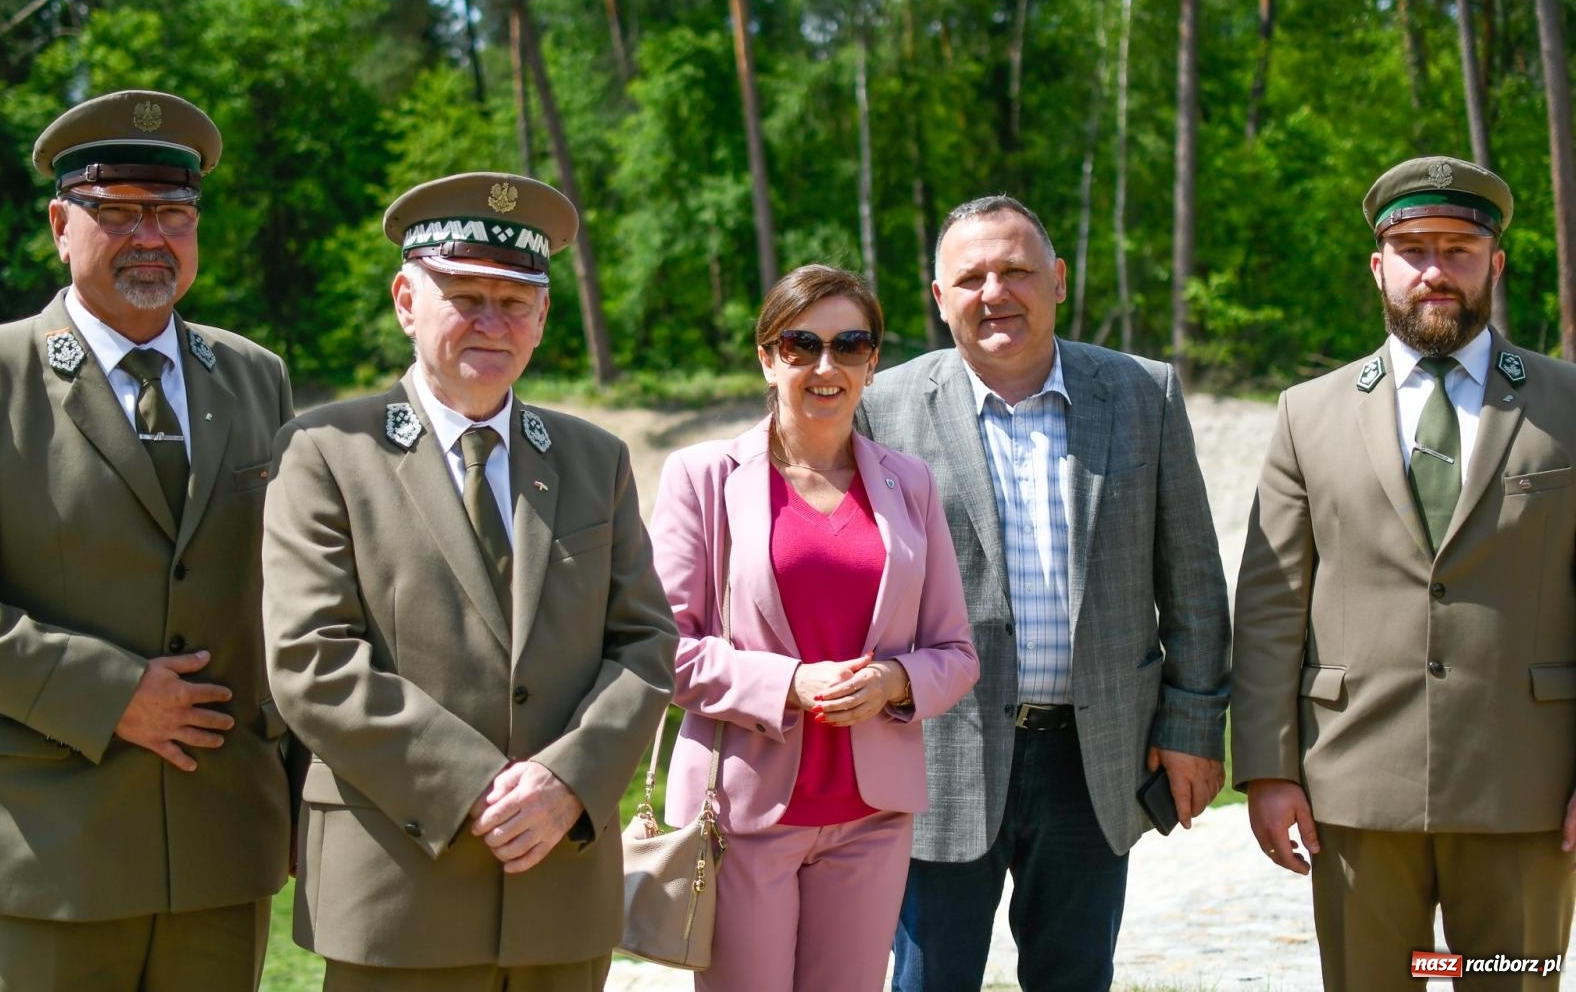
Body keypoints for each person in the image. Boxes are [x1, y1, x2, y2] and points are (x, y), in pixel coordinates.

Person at [262, 171, 678, 992]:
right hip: (399, 892)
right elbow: (311, 657)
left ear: (544, 316)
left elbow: (644, 643)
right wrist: (474, 786)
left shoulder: (596, 460)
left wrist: (569, 781)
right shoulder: (325, 451)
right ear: (406, 301)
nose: (492, 322)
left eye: (515, 301)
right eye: (465, 296)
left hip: (560, 886)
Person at [857, 195, 1231, 992]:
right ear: (938, 297)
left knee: (1075, 978)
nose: (996, 292)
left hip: (1094, 757)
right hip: (937, 755)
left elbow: (1193, 579)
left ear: (1059, 280)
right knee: (926, 982)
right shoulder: (879, 409)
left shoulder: (1142, 393)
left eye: (1017, 270)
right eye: (972, 277)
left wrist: (1194, 723)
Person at [1232, 156, 1576, 991]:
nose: (1435, 270)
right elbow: (1274, 603)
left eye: (1458, 249)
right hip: (1355, 788)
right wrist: (1270, 772)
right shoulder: (1307, 414)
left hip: (1525, 787)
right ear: (1378, 265)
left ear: (1495, 263)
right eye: (1413, 248)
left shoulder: (1568, 407)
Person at [0, 89, 295, 991]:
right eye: (116, 212)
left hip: (223, 837)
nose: (149, 235)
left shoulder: (254, 376)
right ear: (58, 223)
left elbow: (295, 597)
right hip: (55, 842)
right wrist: (113, 692)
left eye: (173, 213)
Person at [649, 263, 980, 992]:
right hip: (740, 815)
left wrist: (897, 680)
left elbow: (955, 652)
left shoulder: (910, 484)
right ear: (768, 359)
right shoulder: (702, 476)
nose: (826, 366)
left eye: (850, 345)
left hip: (872, 816)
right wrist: (790, 684)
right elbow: (662, 652)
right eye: (802, 344)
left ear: (872, 361)